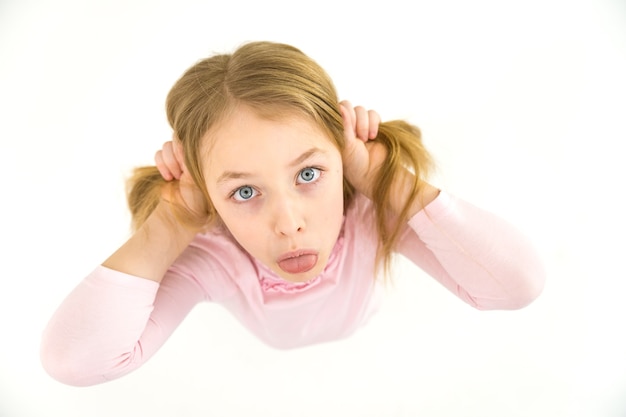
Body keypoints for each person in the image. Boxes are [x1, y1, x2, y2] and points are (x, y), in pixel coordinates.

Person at [40, 41, 545, 387]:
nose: (288, 224)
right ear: (207, 194)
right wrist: (171, 226)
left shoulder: (369, 212)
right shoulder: (212, 257)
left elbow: (516, 285)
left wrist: (379, 178)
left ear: (341, 154)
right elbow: (73, 362)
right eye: (243, 192)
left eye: (308, 175)